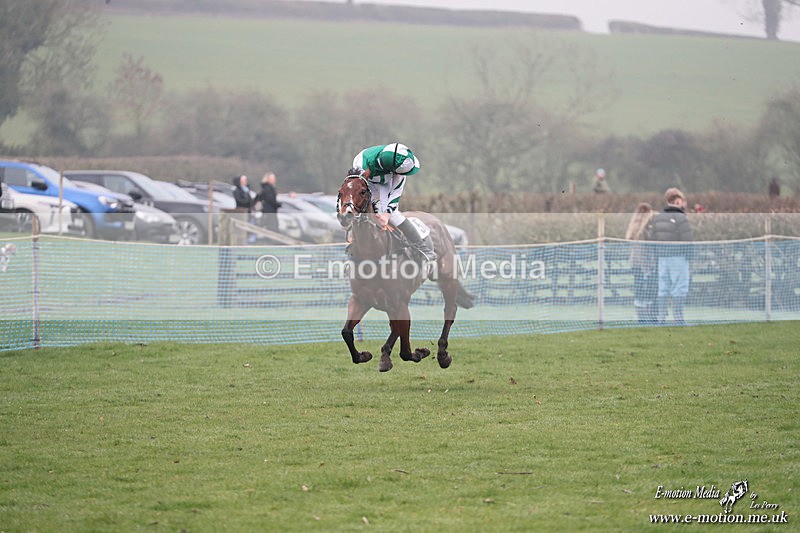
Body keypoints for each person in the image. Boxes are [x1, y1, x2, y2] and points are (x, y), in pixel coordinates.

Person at [351, 142, 435, 261]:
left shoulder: (398, 170)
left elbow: (395, 195)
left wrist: (387, 214)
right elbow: (359, 190)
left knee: (392, 214)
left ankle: (422, 248)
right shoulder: (361, 164)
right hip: (366, 181)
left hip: (386, 183)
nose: (400, 175)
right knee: (363, 209)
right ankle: (353, 243)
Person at [649, 187, 694, 326]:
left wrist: (658, 255)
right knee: (679, 287)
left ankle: (662, 318)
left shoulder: (658, 217)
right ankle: (678, 318)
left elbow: (653, 238)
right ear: (678, 200)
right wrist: (690, 257)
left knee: (663, 286)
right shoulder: (681, 217)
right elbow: (687, 239)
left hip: (662, 258)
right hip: (678, 257)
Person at [625, 203, 657, 325]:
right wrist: (647, 265)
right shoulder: (646, 228)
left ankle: (642, 318)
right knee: (647, 290)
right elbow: (644, 248)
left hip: (636, 262)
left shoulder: (634, 227)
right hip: (645, 263)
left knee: (640, 290)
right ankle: (645, 317)